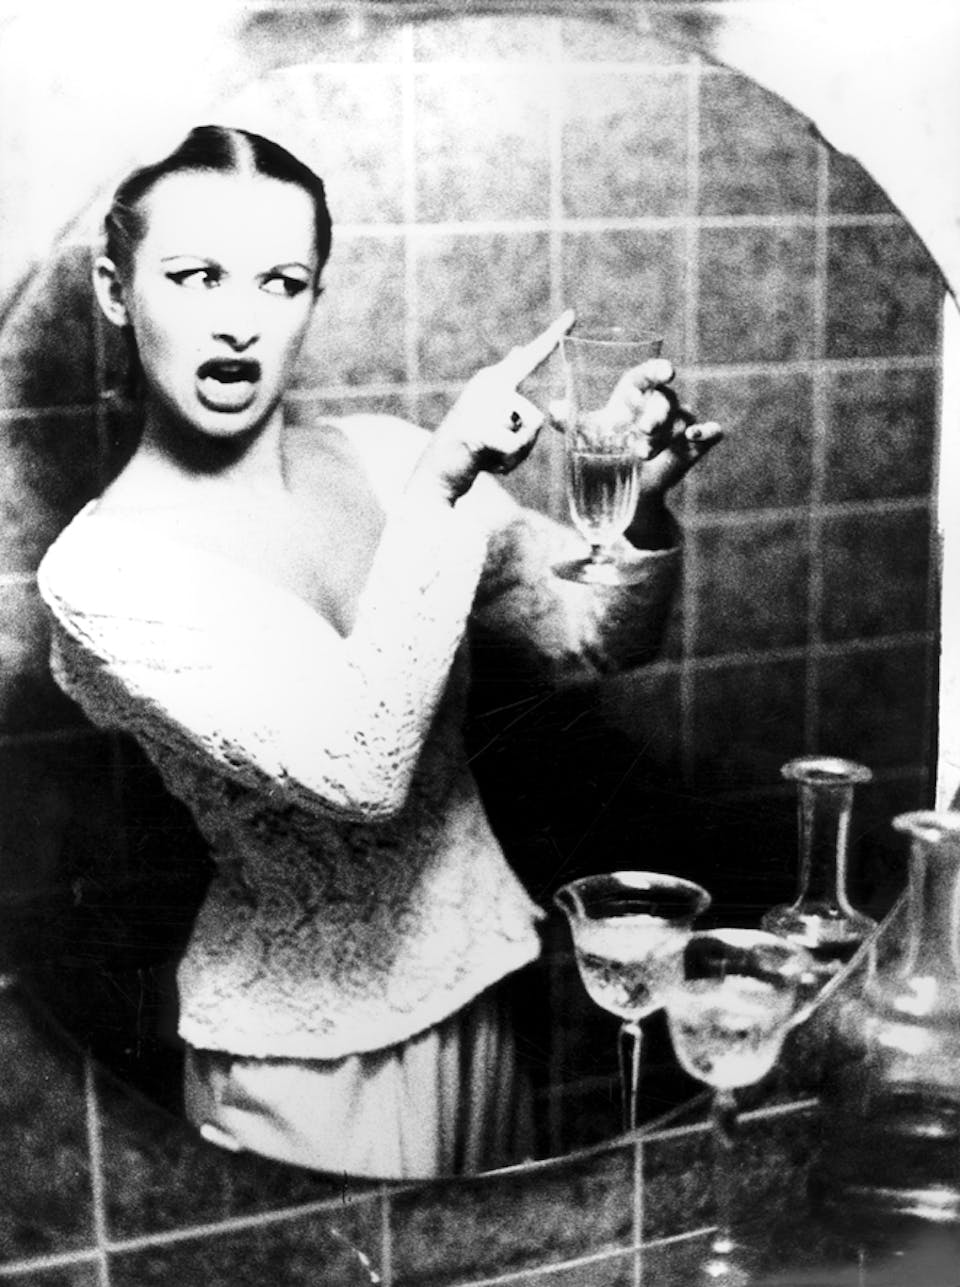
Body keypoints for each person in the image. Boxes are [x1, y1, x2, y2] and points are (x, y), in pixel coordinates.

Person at [36, 124, 722, 1178]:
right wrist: (441, 490)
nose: (238, 320)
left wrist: (639, 504)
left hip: (482, 997)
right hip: (302, 1065)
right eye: (195, 275)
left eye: (280, 281)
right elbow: (359, 770)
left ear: (315, 296)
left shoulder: (384, 453)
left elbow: (594, 638)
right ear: (116, 290)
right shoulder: (102, 576)